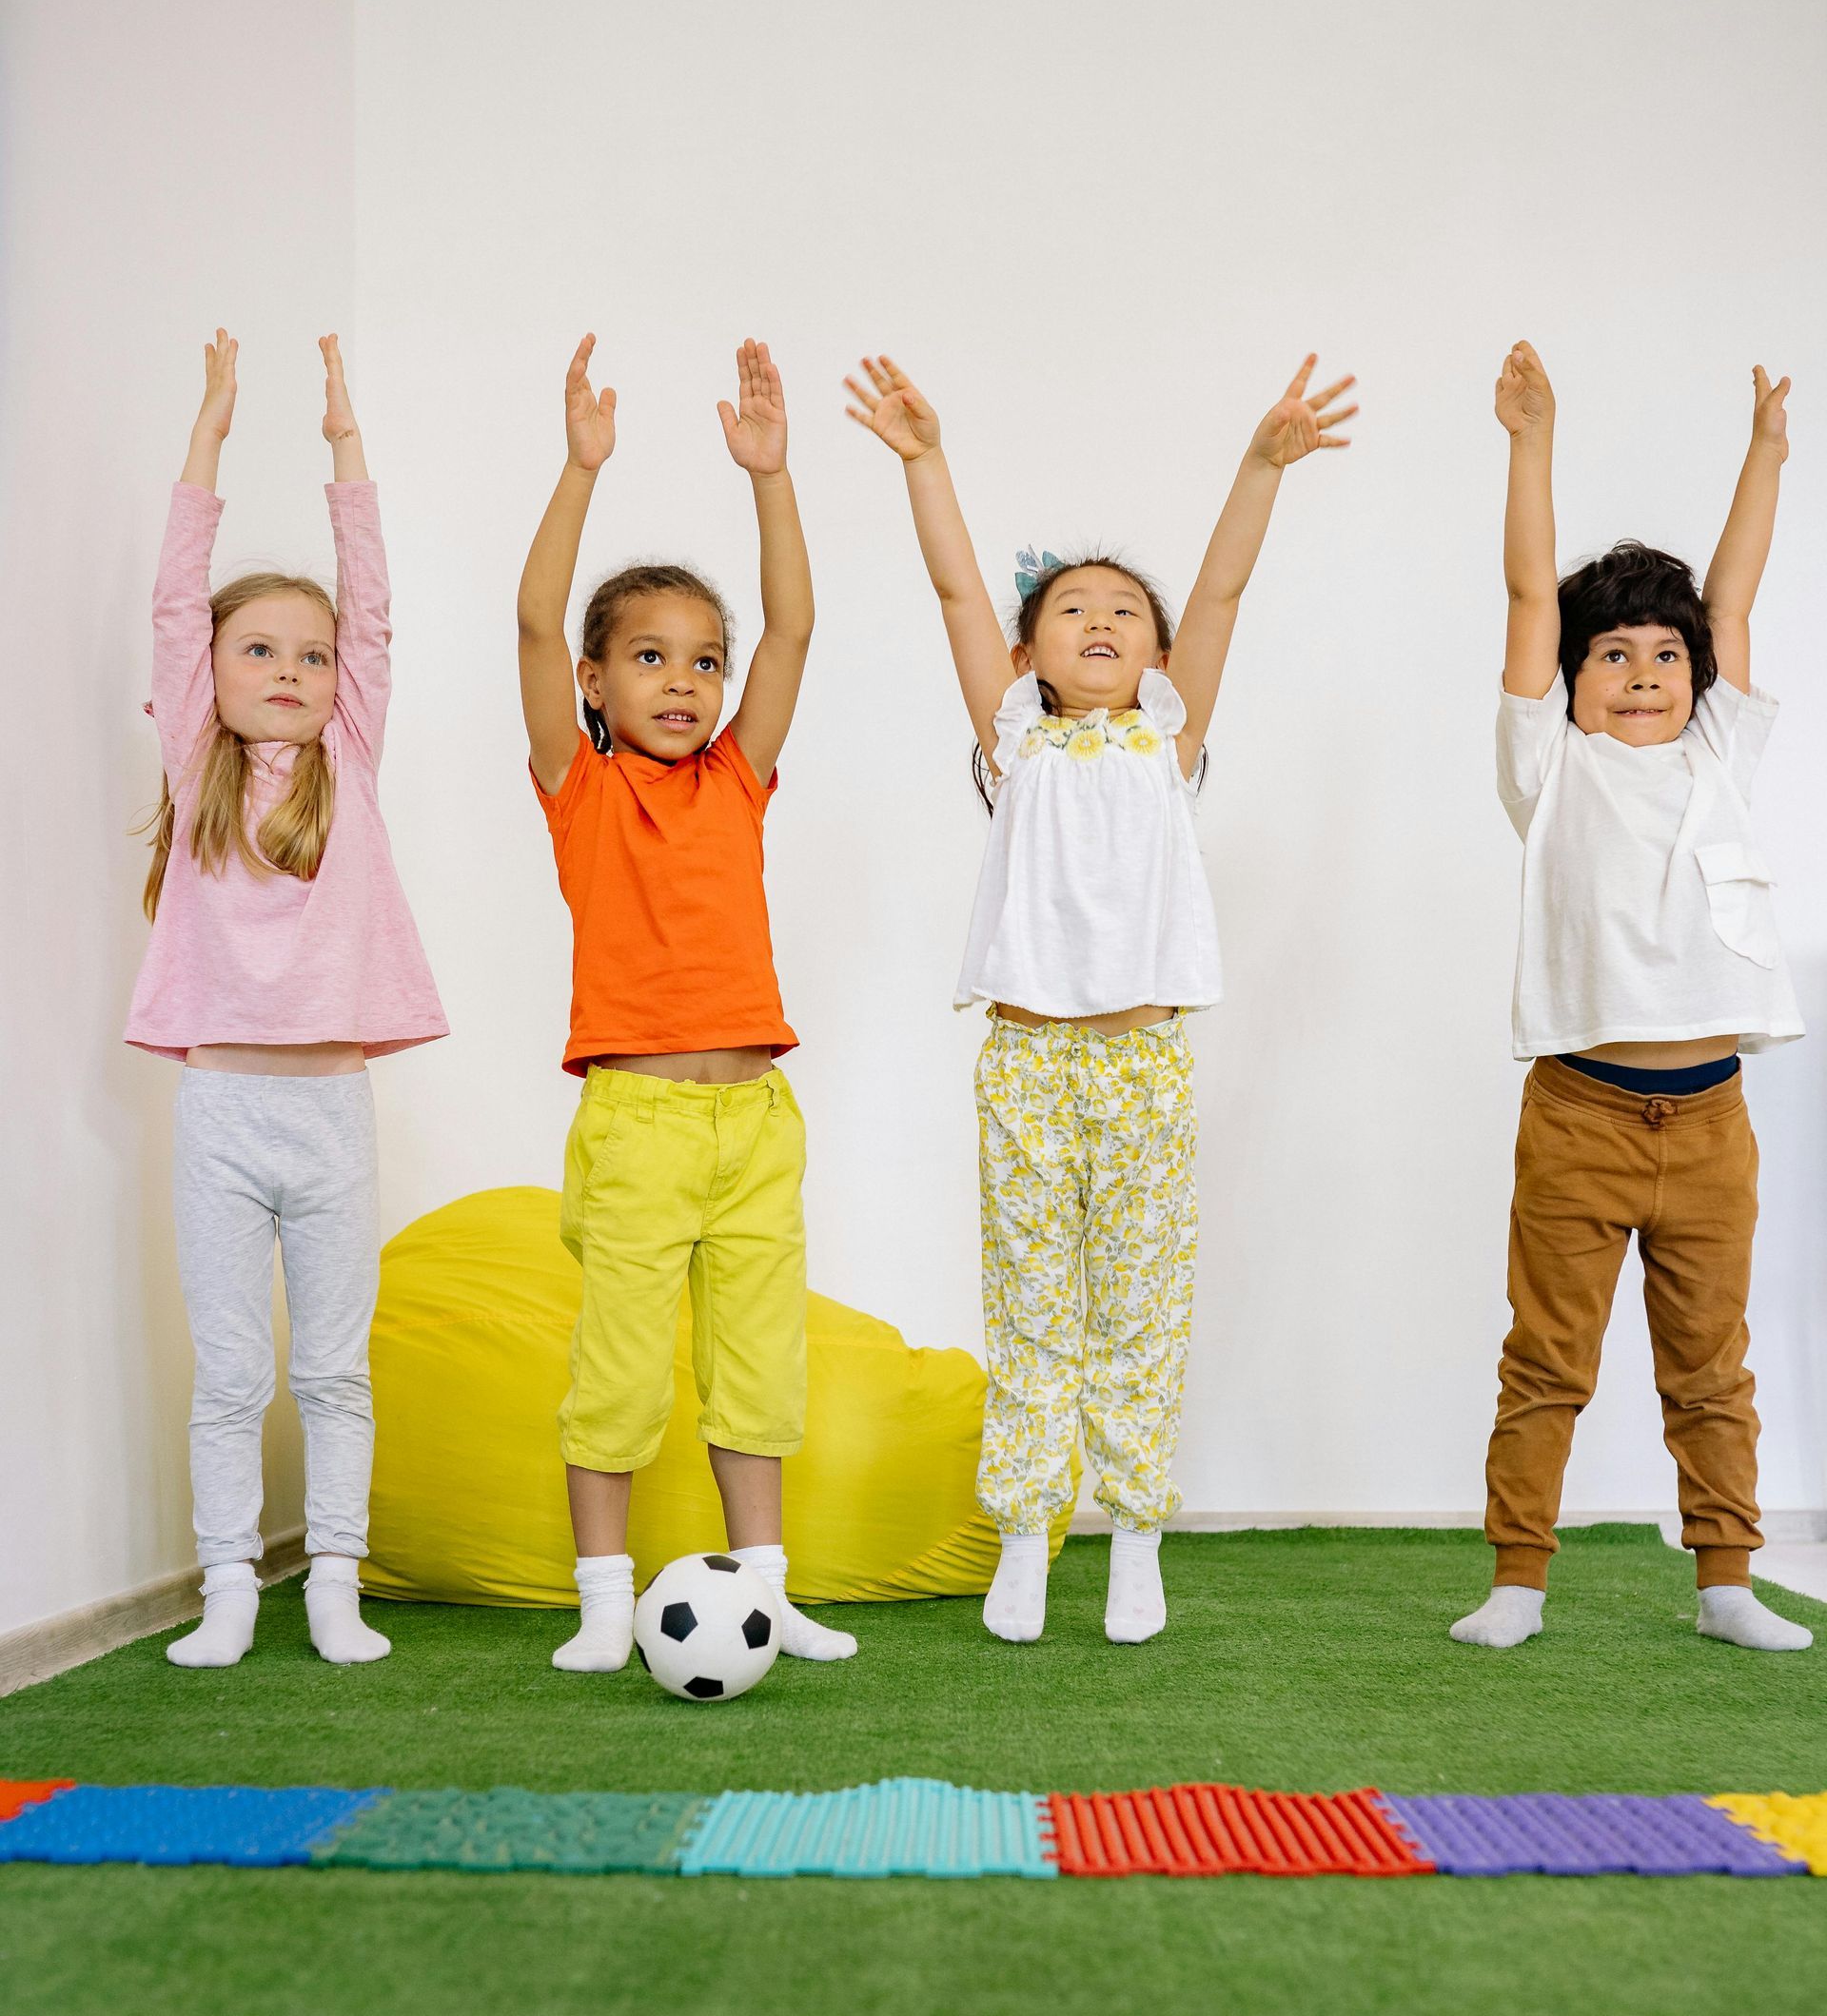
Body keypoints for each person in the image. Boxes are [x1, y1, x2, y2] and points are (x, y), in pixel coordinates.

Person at [844, 349, 1356, 1643]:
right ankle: (1029, 1531)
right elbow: (958, 588)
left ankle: (1135, 1537)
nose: (1101, 624)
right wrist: (923, 458)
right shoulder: (1016, 745)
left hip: (1142, 1065)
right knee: (1033, 1309)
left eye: (1126, 611)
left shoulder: (1165, 744)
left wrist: (1261, 465)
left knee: (1140, 1306)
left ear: (1159, 655)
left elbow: (1227, 589)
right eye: (1073, 609)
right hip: (1026, 1063)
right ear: (1030, 654)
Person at [1452, 342, 1810, 1652]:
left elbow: (1738, 590)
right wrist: (1530, 444)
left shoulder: (1720, 749)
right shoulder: (1550, 770)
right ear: (1573, 681)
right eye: (1614, 654)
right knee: (1547, 1362)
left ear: (1700, 676)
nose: (1646, 670)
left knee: (1711, 1366)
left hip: (1712, 1122)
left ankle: (1726, 1583)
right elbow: (1524, 600)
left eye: (1666, 653)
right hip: (1583, 1116)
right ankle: (1516, 1582)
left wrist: (1765, 453)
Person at [518, 334, 855, 1673]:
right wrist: (579, 469)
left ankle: (765, 1593)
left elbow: (797, 628)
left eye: (700, 661)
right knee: (615, 1372)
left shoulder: (738, 779)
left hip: (757, 1119)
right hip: (640, 1121)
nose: (682, 680)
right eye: (648, 658)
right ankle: (608, 1606)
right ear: (597, 685)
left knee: (758, 1370)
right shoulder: (580, 789)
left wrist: (772, 477)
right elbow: (534, 622)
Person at [133, 331, 447, 1670]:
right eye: (260, 650)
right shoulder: (196, 754)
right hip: (220, 1108)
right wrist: (209, 430)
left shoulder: (352, 760)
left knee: (331, 1368)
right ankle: (227, 1589)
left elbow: (372, 602)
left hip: (328, 1113)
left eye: (312, 658)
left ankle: (332, 1579)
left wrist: (343, 448)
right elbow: (170, 600)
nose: (293, 672)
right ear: (212, 674)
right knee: (232, 1374)